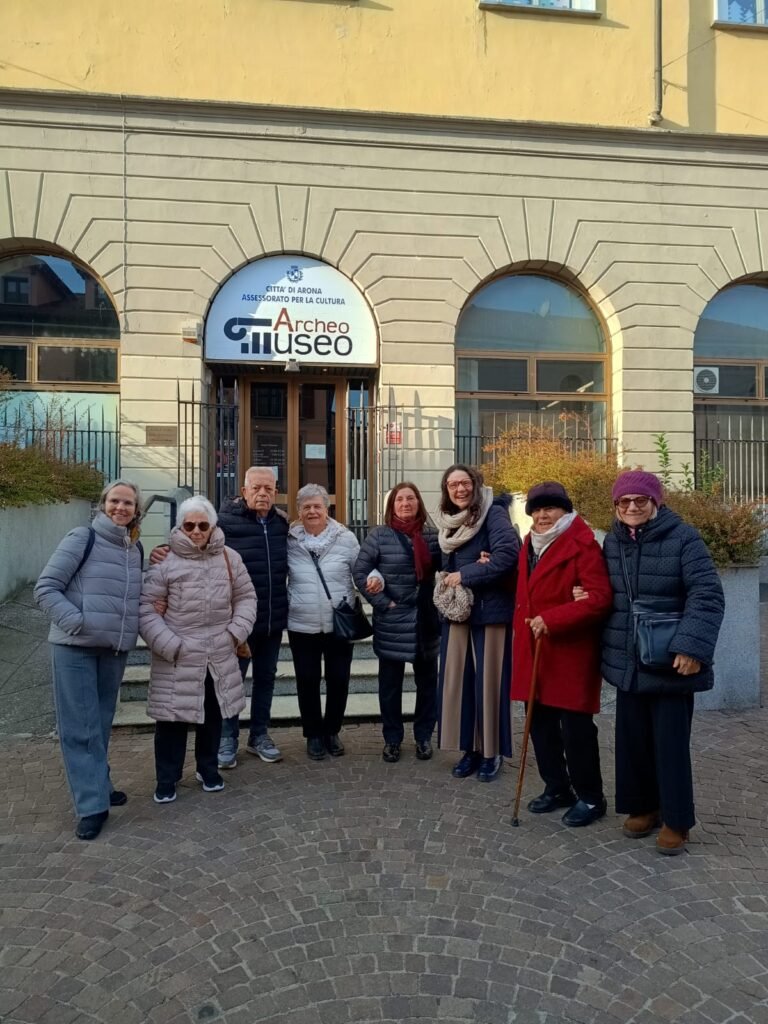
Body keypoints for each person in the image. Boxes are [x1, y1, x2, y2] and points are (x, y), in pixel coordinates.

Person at [602, 471, 725, 855]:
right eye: (625, 501)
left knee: (670, 744)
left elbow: (707, 594)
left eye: (641, 500)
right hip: (629, 659)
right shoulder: (612, 541)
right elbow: (603, 589)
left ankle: (676, 820)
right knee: (632, 740)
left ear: (656, 502)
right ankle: (643, 807)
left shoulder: (684, 538)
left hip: (670, 659)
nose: (632, 507)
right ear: (616, 505)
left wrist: (691, 648)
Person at [34, 479, 144, 841]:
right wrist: (76, 622)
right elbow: (46, 588)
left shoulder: (134, 548)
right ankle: (91, 806)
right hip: (76, 647)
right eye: (115, 501)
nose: (120, 508)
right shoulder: (83, 537)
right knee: (79, 728)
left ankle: (100, 783)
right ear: (103, 504)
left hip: (112, 649)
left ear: (136, 510)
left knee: (99, 723)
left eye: (128, 503)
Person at [140, 496, 257, 804]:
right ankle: (167, 778)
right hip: (177, 654)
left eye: (203, 525)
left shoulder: (230, 558)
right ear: (180, 526)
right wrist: (170, 645)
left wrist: (234, 634)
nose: (196, 531)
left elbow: (246, 598)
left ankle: (208, 768)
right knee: (171, 720)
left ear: (212, 527)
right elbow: (147, 609)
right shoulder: (165, 562)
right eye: (189, 525)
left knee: (212, 715)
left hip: (218, 650)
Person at [511, 482, 613, 827]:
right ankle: (557, 787)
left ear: (564, 510)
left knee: (575, 730)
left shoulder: (583, 544)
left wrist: (553, 619)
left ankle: (591, 797)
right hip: (534, 648)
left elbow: (599, 598)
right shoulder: (530, 543)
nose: (542, 516)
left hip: (569, 652)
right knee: (539, 726)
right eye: (537, 510)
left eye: (550, 509)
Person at [432, 464, 520, 783]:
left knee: (490, 683)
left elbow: (508, 554)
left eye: (465, 482)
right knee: (461, 683)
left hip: (490, 611)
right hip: (458, 612)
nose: (460, 489)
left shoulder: (492, 513)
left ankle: (491, 751)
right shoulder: (447, 521)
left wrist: (467, 573)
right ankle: (469, 748)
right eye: (452, 484)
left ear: (475, 483)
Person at [353, 482, 441, 763]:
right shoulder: (379, 535)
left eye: (410, 498)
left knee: (427, 685)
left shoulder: (432, 535)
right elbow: (360, 571)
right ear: (392, 505)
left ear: (418, 503)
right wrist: (383, 603)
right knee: (390, 687)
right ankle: (392, 739)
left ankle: (423, 736)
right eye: (399, 499)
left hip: (426, 620)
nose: (405, 503)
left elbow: (449, 564)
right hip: (392, 621)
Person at [216, 467, 289, 769]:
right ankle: (227, 737)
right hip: (238, 622)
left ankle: (259, 735)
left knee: (265, 679)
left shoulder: (281, 524)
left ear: (275, 492)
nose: (262, 493)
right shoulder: (224, 522)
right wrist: (164, 549)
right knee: (232, 681)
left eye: (268, 489)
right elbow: (193, 542)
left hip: (272, 618)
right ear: (244, 491)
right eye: (256, 488)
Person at [287, 484, 360, 760]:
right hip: (301, 623)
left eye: (317, 506)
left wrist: (376, 582)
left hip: (339, 623)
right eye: (306, 507)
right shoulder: (289, 540)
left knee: (338, 680)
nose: (312, 511)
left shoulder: (346, 538)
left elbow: (362, 571)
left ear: (327, 509)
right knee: (307, 680)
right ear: (299, 511)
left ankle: (332, 731)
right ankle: (313, 734)